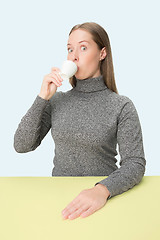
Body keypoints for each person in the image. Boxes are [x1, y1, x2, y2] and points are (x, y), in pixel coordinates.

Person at [14, 22, 146, 220]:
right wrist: (42, 98)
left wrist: (102, 190)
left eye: (83, 48)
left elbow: (135, 163)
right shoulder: (56, 100)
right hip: (60, 203)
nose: (74, 56)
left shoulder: (122, 106)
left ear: (102, 53)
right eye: (70, 49)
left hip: (104, 202)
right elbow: (21, 145)